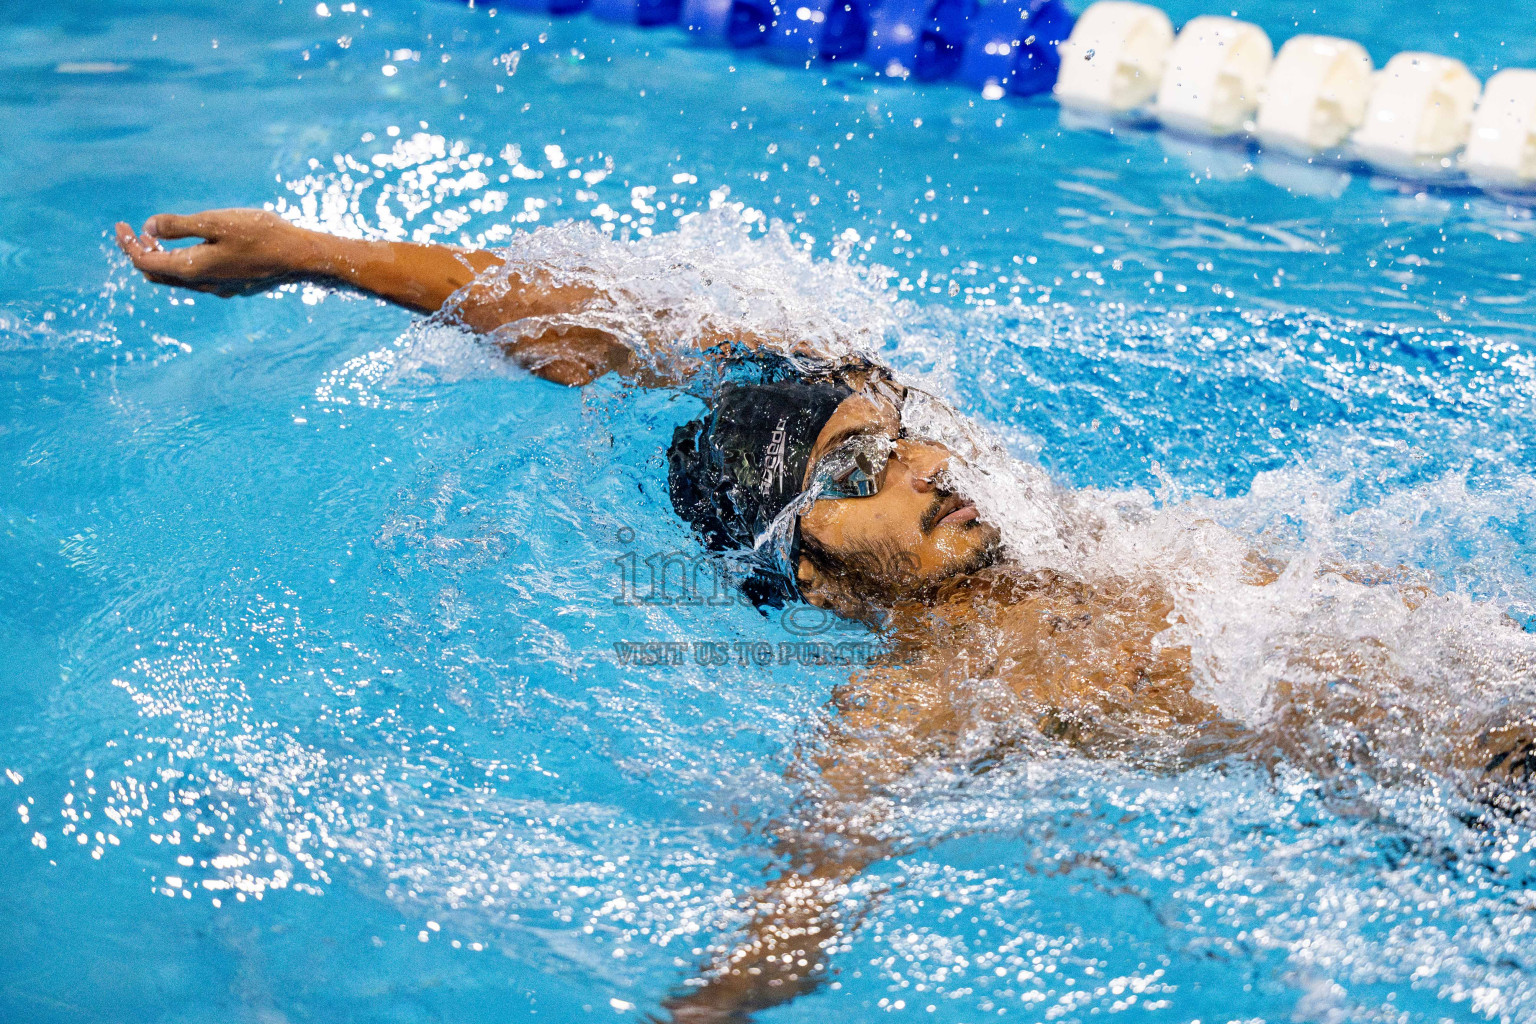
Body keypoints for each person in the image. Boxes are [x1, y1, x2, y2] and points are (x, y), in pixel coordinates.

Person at [114, 209, 1535, 1022]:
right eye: (862, 472)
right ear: (812, 574)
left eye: (903, 435)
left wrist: (326, 254)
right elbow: (795, 916)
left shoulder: (1022, 520)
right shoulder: (914, 700)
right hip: (1482, 782)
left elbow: (628, 329)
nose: (926, 461)